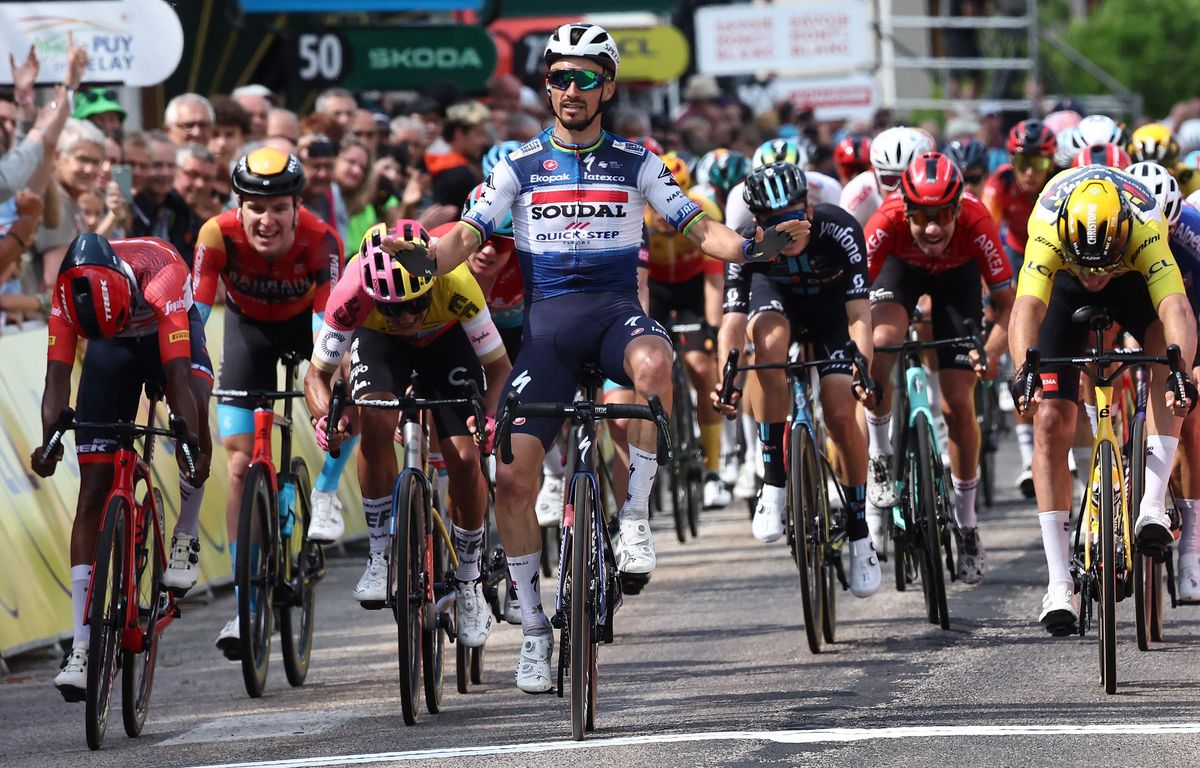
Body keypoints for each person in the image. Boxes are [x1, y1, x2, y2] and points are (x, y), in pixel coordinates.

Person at [379, 21, 799, 694]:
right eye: (556, 77)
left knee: (655, 359)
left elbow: (698, 227)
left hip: (613, 316)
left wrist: (756, 248)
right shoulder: (515, 165)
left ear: (606, 85)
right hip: (546, 335)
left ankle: (633, 519)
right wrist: (422, 255)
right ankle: (537, 633)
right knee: (511, 481)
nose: (567, 90)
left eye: (581, 78)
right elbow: (464, 236)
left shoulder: (637, 160)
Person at [1008, 166, 1197, 634]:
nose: (1096, 277)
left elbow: (1175, 306)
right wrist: (1022, 373)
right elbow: (1027, 308)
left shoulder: (1145, 225)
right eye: (1086, 263)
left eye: (1102, 265)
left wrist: (1181, 376)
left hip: (1132, 282)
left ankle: (1151, 504)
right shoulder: (1047, 225)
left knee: (1166, 361)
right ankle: (1058, 584)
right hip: (1062, 287)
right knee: (1050, 420)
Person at [305, 220, 510, 646]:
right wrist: (326, 418)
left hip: (447, 340)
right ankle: (380, 553)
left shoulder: (454, 280)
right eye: (393, 307)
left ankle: (469, 579)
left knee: (466, 458)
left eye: (414, 303)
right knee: (376, 418)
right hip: (380, 345)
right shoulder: (352, 292)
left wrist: (489, 422)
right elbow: (317, 376)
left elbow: (499, 370)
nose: (406, 316)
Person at [31, 233, 212, 700]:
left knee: (198, 412)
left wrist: (187, 438)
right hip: (109, 346)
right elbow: (56, 378)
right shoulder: (69, 292)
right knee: (92, 489)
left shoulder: (161, 278)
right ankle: (83, 645)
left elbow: (177, 380)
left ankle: (185, 536)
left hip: (167, 329)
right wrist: (49, 442)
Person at [192, 147, 347, 656]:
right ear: (238, 206)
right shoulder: (216, 234)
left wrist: (325, 380)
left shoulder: (322, 239)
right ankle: (245, 606)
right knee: (239, 465)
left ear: (295, 208)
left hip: (309, 328)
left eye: (278, 207)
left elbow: (332, 330)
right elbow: (192, 318)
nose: (266, 219)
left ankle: (323, 490)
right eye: (255, 207)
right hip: (248, 330)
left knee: (354, 391)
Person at [713, 162, 880, 595]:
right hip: (778, 301)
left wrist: (863, 365)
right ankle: (773, 480)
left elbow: (860, 314)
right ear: (758, 223)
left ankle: (861, 533)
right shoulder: (747, 243)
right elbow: (731, 322)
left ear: (809, 205)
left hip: (831, 314)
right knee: (765, 342)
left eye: (796, 215)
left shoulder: (839, 228)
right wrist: (726, 378)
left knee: (842, 413)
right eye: (775, 222)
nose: (790, 228)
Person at [864, 152, 1015, 585]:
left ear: (957, 209)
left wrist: (989, 351)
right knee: (881, 342)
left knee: (956, 404)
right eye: (923, 217)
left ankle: (966, 526)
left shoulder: (976, 220)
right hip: (901, 274)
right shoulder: (886, 219)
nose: (933, 228)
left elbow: (1009, 306)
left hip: (957, 281)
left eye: (944, 215)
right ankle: (880, 455)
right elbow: (853, 299)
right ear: (905, 209)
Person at [644, 152, 730, 509]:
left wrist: (711, 328)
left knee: (701, 365)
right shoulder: (639, 216)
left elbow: (713, 280)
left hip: (695, 288)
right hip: (656, 290)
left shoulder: (704, 211)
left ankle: (712, 470)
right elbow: (639, 283)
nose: (665, 214)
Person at [981, 120, 1057, 496]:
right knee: (1013, 319)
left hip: (1056, 253)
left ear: (1051, 163)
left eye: (1039, 163)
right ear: (1011, 160)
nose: (1030, 172)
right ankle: (1028, 456)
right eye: (1023, 162)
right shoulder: (999, 184)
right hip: (1014, 250)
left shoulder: (1062, 183)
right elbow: (986, 237)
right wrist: (993, 296)